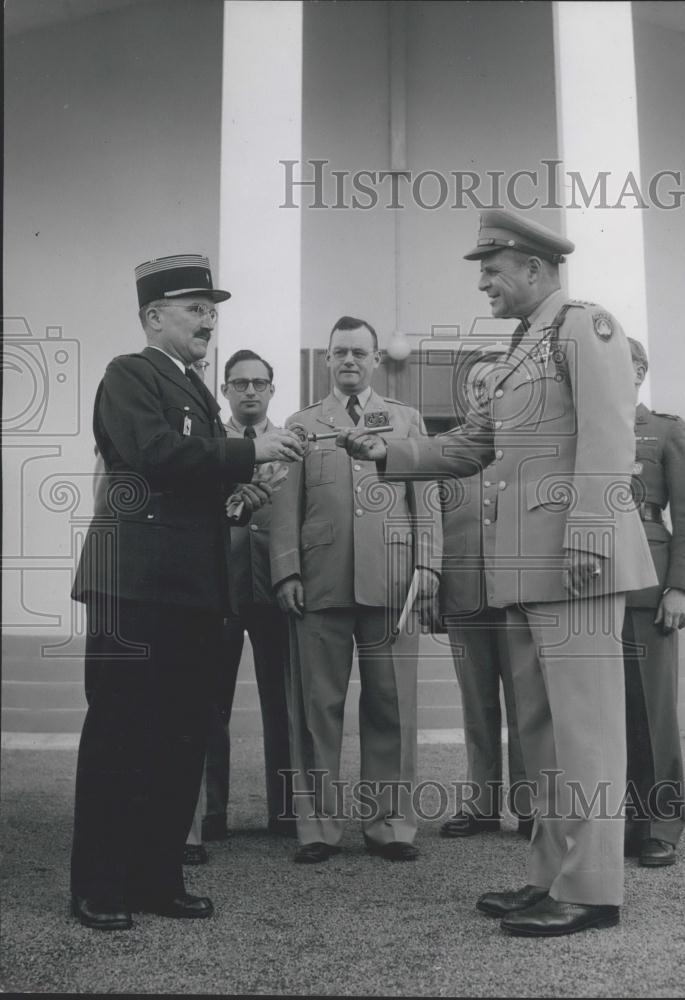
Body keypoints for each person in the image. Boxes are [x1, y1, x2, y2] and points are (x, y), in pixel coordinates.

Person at [338, 211, 657, 935]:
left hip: (576, 567)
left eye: (492, 266)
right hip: (525, 573)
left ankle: (595, 889)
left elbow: (609, 437)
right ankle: (549, 878)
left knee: (588, 736)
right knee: (543, 740)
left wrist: (588, 536)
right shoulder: (522, 348)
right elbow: (475, 442)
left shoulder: (586, 326)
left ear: (537, 268)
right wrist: (386, 455)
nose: (482, 279)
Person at [69, 254, 303, 930]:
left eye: (212, 309)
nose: (209, 320)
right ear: (153, 317)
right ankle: (101, 887)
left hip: (194, 592)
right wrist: (251, 453)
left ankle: (156, 877)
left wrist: (240, 490)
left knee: (179, 737)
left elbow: (193, 478)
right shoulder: (128, 375)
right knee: (119, 732)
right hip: (134, 588)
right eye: (196, 308)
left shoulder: (198, 390)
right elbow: (156, 455)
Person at [270, 315, 442, 863]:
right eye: (339, 352)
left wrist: (429, 566)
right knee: (317, 707)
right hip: (319, 584)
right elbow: (284, 508)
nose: (349, 361)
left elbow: (427, 499)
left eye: (359, 353)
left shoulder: (405, 420)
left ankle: (391, 824)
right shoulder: (300, 424)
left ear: (375, 360)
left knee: (392, 704)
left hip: (392, 584)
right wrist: (286, 571)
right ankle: (317, 828)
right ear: (326, 359)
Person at [184, 349, 296, 865]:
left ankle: (285, 809)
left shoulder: (292, 446)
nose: (249, 391)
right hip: (219, 590)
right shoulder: (209, 447)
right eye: (239, 383)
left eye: (259, 383)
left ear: (273, 389)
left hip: (276, 589)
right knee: (211, 704)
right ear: (225, 391)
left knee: (282, 702)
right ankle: (212, 813)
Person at [435, 357, 532, 840]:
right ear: (467, 393)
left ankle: (531, 803)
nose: (487, 391)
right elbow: (431, 521)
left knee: (525, 703)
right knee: (476, 704)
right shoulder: (448, 449)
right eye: (479, 384)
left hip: (516, 594)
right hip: (464, 594)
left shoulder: (528, 447)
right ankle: (481, 802)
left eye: (497, 383)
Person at [623, 337, 685, 867]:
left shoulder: (664, 430)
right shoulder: (579, 431)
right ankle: (615, 822)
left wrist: (679, 585)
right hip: (587, 591)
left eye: (620, 365)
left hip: (648, 587)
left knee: (652, 712)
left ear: (638, 370)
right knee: (602, 716)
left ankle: (660, 824)